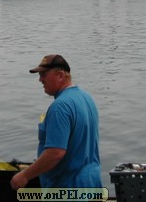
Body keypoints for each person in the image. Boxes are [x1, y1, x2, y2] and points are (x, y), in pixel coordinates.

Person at [10, 54, 102, 189]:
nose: (40, 80)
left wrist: (24, 176)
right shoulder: (86, 98)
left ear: (60, 76)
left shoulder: (60, 107)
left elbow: (55, 152)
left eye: (44, 74)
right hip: (91, 184)